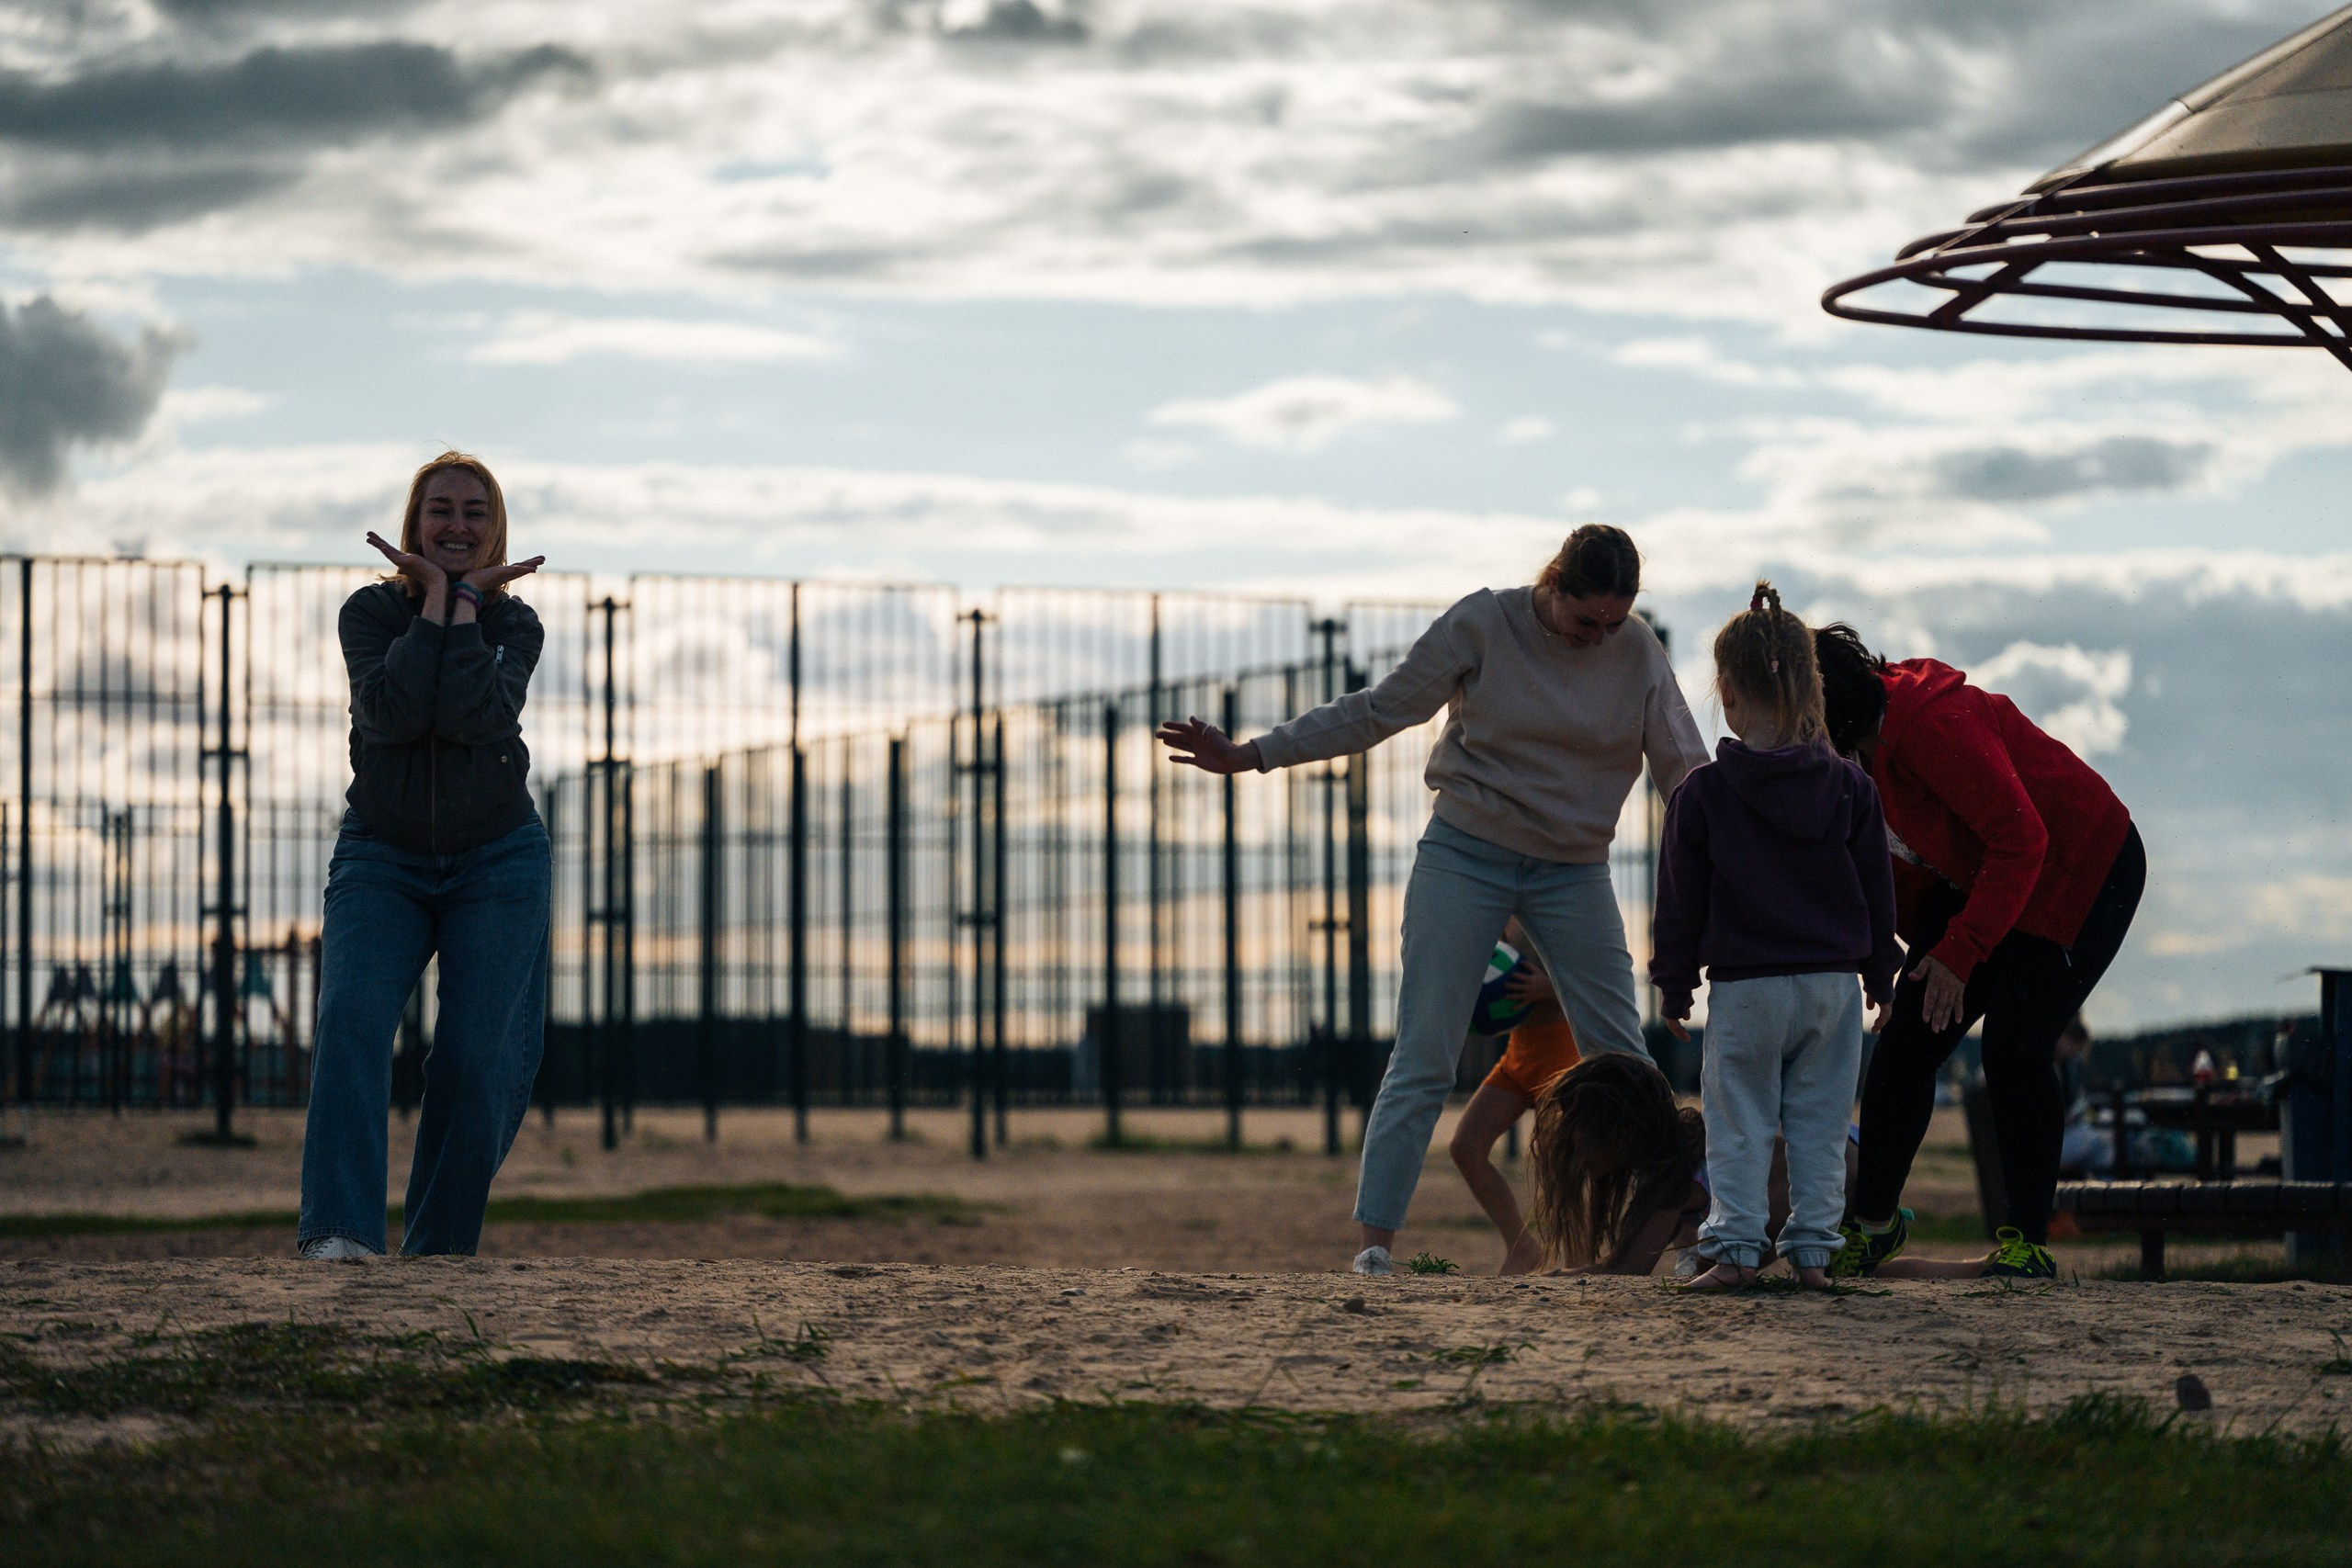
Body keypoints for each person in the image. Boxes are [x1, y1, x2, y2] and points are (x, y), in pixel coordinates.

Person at [1157, 525, 1710, 1275]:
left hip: (1574, 867)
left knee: (1624, 1054)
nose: (1599, 638)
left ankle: (1674, 1233)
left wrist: (1744, 839)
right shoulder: (1484, 623)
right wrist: (1253, 754)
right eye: (1587, 620)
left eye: (1616, 622)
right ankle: (1375, 1249)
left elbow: (1686, 772)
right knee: (1424, 1048)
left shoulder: (1637, 652)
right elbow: (1381, 709)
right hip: (1466, 853)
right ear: (1553, 586)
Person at [1815, 623, 2144, 1281]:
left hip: (2082, 863)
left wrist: (1964, 950)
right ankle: (1873, 1225)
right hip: (1987, 878)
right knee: (1910, 1031)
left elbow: (2023, 839)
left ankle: (2027, 1240)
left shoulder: (1930, 724)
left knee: (2015, 1046)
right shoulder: (1854, 758)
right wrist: (1911, 968)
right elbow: (1900, 879)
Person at [297, 450, 550, 1259]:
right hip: (382, 855)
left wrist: (468, 604)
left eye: (476, 512)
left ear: (495, 528)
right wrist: (435, 605)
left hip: (500, 858)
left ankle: (439, 1251)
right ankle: (339, 1235)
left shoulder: (517, 623)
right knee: (349, 1023)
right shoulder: (368, 615)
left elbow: (477, 714)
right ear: (414, 524)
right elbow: (393, 714)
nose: (457, 524)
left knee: (476, 1058)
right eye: (441, 509)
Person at [1650, 583, 1899, 1290]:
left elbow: (1680, 904)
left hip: (1747, 984)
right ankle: (1815, 1254)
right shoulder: (1852, 789)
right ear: (1813, 687)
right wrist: (1882, 975)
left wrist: (1674, 981)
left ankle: (1734, 1250)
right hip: (1830, 988)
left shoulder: (1701, 795)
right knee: (1820, 1124)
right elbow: (1877, 896)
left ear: (1725, 692)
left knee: (1740, 1120)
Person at [1524, 1054, 1986, 1280]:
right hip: (1843, 1158)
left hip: (1834, 1168)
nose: (1580, 1161)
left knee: (1709, 1266)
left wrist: (1555, 1280)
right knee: (1855, 1271)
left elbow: (1623, 1272)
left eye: (1584, 1149)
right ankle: (1980, 1269)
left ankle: (1976, 1269)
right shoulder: (1686, 1147)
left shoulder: (1669, 1181)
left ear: (1622, 1135)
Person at [1448, 919, 1581, 1275]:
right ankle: (1523, 1247)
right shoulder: (1500, 907)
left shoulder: (1565, 902)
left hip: (1561, 1052)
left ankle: (1582, 1263)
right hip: (1519, 1053)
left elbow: (1601, 979)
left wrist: (1547, 987)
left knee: (1563, 1164)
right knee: (1466, 1147)